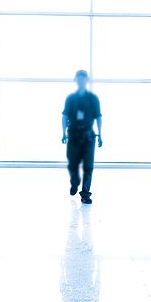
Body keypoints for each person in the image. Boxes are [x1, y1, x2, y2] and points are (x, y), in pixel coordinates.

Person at [62, 70, 102, 205]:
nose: (81, 81)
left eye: (83, 78)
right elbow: (65, 116)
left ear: (87, 81)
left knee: (88, 167)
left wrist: (100, 134)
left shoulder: (93, 99)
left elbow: (98, 116)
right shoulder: (70, 99)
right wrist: (63, 133)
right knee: (73, 164)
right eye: (78, 78)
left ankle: (85, 194)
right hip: (73, 135)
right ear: (75, 80)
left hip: (88, 137)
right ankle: (74, 181)